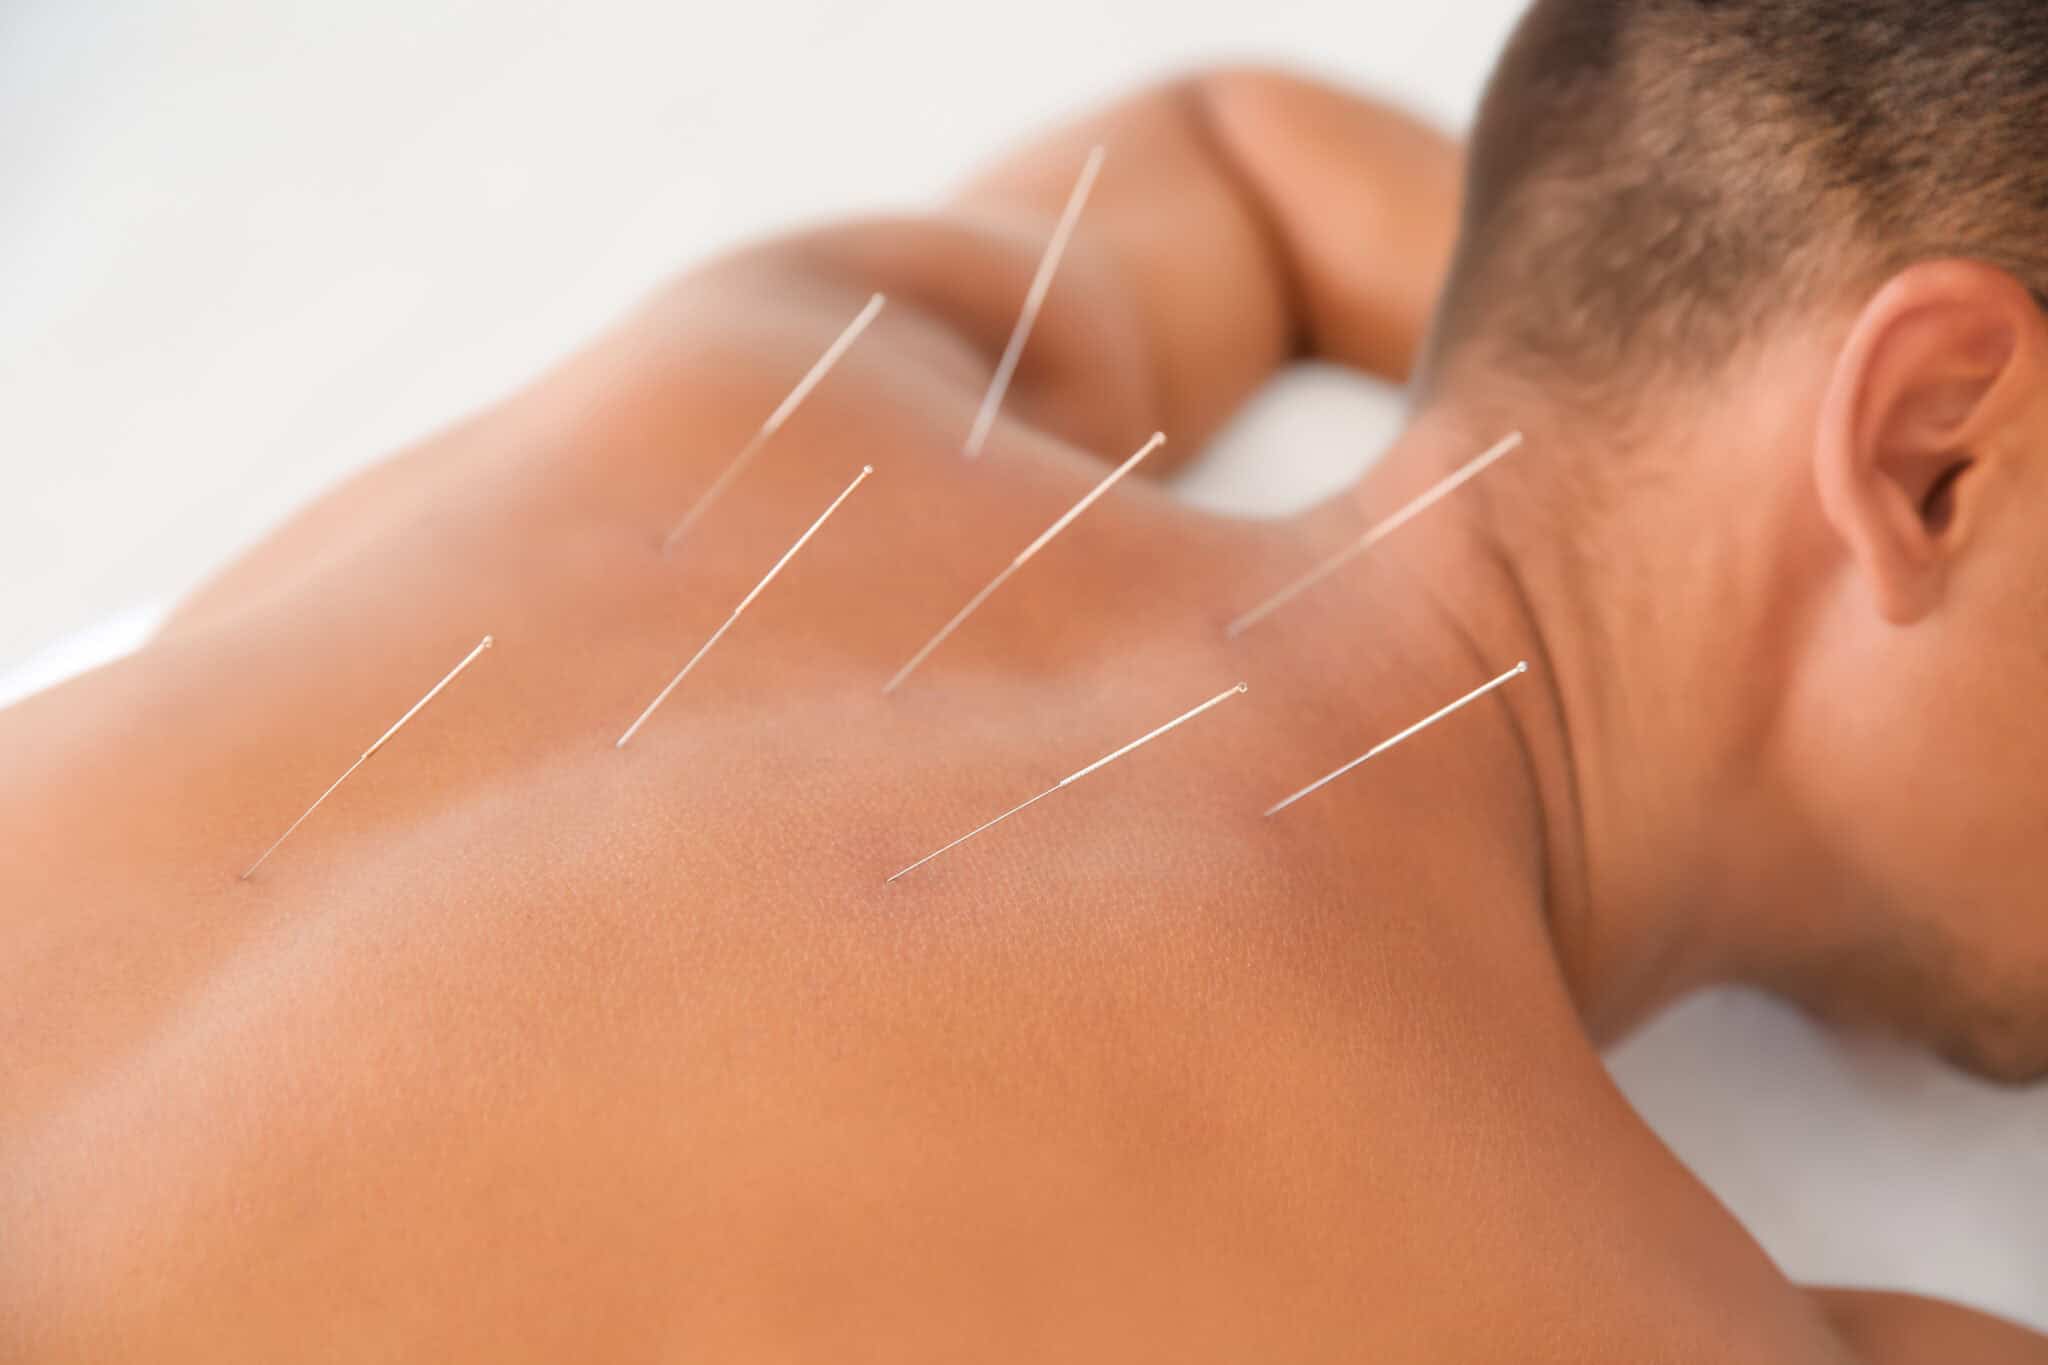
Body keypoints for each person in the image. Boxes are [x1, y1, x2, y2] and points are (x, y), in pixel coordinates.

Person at [3, 0, 2044, 1356]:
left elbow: (1229, 145)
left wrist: (1665, 325)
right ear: (1932, 443)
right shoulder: (1604, 1306)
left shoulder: (780, 368)